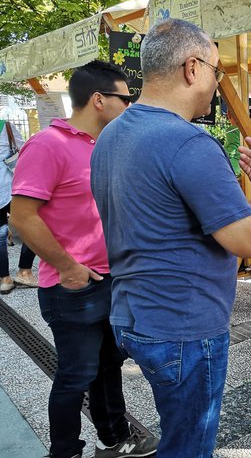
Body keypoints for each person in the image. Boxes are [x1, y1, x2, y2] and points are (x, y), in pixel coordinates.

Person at [90, 18, 251, 458]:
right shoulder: (188, 143)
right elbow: (248, 240)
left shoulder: (110, 135)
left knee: (177, 432)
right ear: (192, 68)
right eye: (217, 70)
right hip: (184, 327)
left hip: (131, 315)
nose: (217, 83)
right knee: (189, 446)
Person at [10, 61, 158, 458]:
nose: (130, 106)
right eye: (125, 98)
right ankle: (64, 452)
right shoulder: (48, 144)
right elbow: (22, 216)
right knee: (75, 376)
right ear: (99, 100)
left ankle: (114, 438)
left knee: (108, 366)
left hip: (111, 279)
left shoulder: (108, 145)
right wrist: (67, 267)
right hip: (71, 286)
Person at [0, 120, 38, 292]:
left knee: (0, 235)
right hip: (10, 187)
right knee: (32, 224)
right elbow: (24, 149)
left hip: (6, 190)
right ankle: (24, 271)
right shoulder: (5, 126)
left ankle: (4, 279)